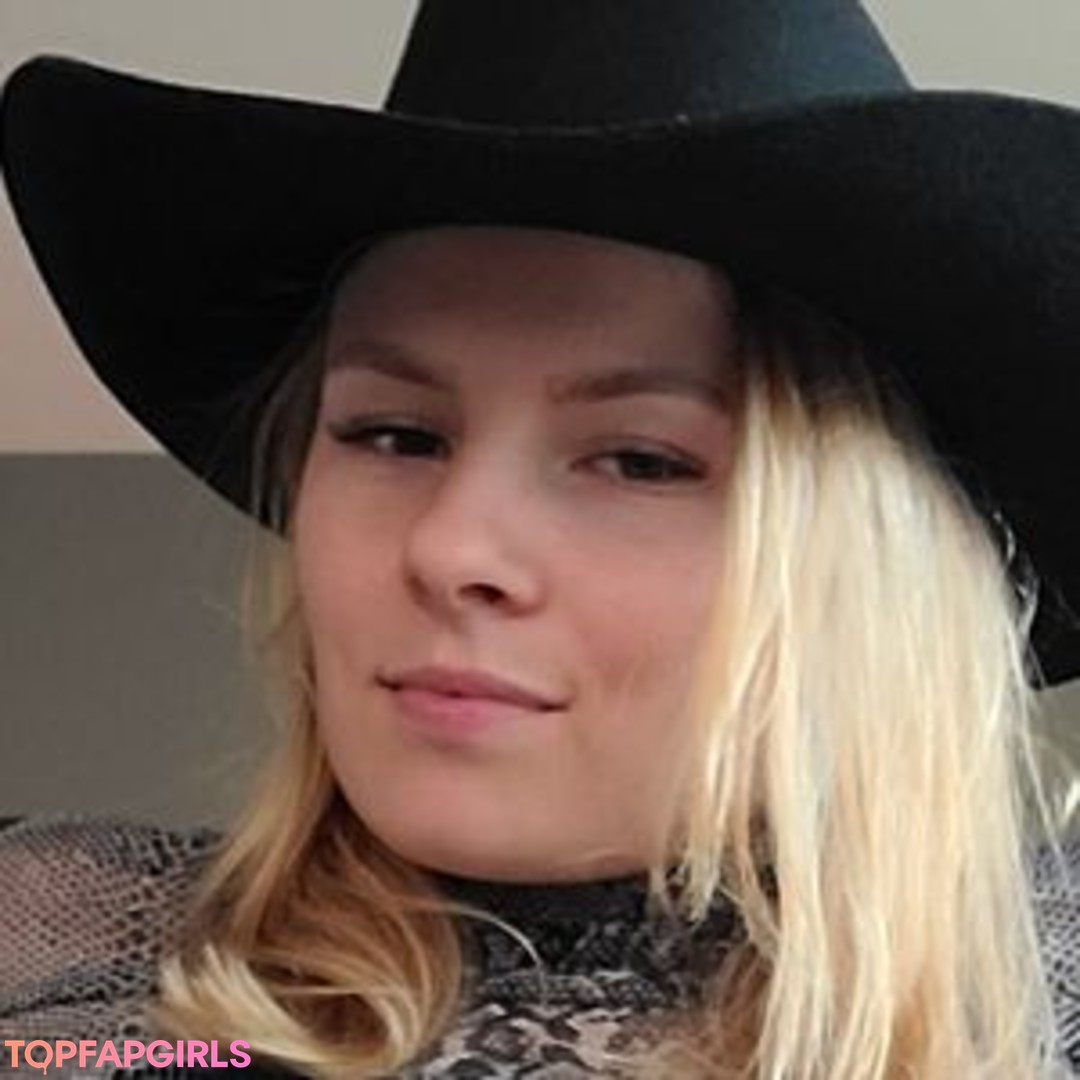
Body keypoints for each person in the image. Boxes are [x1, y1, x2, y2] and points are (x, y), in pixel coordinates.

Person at [2, 1, 1080, 1076]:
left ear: (875, 575)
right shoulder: (47, 971)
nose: (451, 548)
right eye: (394, 434)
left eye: (640, 460)